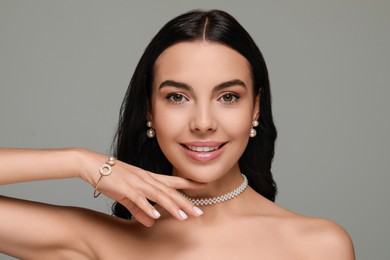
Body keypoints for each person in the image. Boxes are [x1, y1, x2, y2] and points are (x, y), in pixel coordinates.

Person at [0, 9, 354, 259]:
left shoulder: (319, 246)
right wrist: (79, 162)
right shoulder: (99, 240)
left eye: (228, 97)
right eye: (177, 97)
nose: (202, 122)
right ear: (150, 111)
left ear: (255, 109)